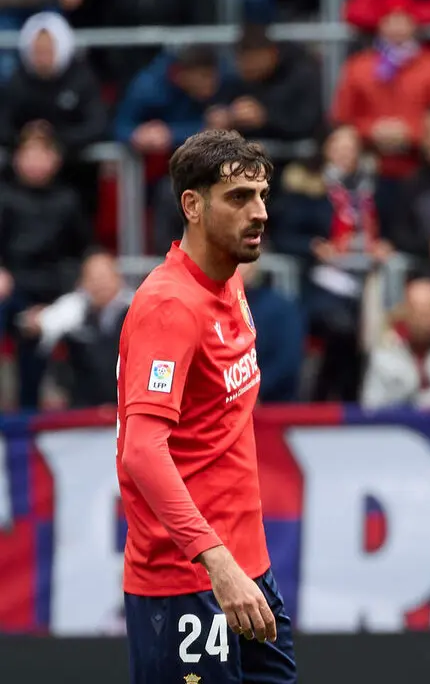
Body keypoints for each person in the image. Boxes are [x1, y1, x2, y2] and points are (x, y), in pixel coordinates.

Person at [116, 129, 297, 684]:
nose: (259, 212)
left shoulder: (229, 279)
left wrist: (238, 565)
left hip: (248, 569)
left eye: (262, 196)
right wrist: (216, 561)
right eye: (239, 198)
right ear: (192, 206)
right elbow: (141, 452)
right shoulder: (169, 307)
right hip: (188, 581)